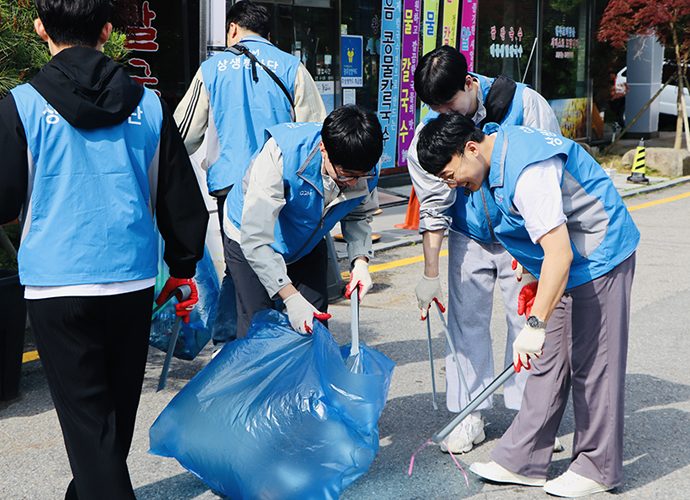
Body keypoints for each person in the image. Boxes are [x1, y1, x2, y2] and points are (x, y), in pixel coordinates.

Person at [0, 1, 208, 498]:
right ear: (108, 31)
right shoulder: (151, 105)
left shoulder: (20, 105)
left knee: (89, 422)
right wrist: (182, 266)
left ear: (39, 29)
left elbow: (5, 200)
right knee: (114, 414)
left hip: (56, 283)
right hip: (131, 279)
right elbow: (179, 197)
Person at [417, 112, 639, 497]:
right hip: (568, 258)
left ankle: (597, 467)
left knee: (594, 363)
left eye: (451, 174)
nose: (453, 185)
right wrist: (537, 281)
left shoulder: (526, 170)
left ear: (470, 149)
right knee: (548, 361)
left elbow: (559, 252)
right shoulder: (492, 158)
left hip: (599, 255)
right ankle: (523, 459)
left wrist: (534, 324)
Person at [407, 45, 562, 454]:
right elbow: (434, 205)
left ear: (470, 82)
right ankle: (468, 414)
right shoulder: (431, 131)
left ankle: (533, 420)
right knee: (465, 327)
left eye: (451, 103)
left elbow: (551, 171)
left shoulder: (526, 104)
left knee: (526, 324)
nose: (446, 115)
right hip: (467, 234)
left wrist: (539, 250)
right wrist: (429, 273)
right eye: (437, 108)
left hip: (522, 236)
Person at [174, 0, 326, 354]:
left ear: (232, 29)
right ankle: (267, 340)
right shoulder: (292, 67)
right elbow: (315, 132)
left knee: (241, 263)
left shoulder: (211, 70)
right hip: (284, 185)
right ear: (268, 35)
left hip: (231, 189)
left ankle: (236, 344)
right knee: (279, 257)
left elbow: (184, 134)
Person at [223, 104, 382, 337]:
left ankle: (310, 373)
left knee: (314, 323)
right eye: (345, 174)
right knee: (259, 329)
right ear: (323, 149)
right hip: (250, 237)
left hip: (307, 239)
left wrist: (360, 261)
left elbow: (358, 213)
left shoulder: (365, 166)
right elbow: (255, 238)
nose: (352, 183)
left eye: (361, 175)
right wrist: (290, 296)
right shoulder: (282, 153)